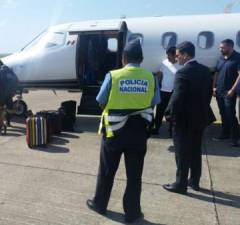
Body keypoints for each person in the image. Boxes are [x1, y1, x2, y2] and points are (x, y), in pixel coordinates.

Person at [86, 39, 160, 223]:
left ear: (123, 58)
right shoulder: (151, 77)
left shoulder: (113, 75)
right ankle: (133, 213)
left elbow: (100, 100)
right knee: (135, 175)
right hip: (139, 132)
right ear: (141, 59)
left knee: (107, 170)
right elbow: (154, 101)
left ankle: (100, 204)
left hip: (114, 131)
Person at [163, 41, 213, 194]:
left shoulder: (183, 72)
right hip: (200, 118)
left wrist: (168, 114)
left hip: (184, 120)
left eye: (178, 56)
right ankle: (195, 181)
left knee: (182, 152)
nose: (177, 58)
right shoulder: (205, 70)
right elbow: (208, 94)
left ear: (185, 55)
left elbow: (177, 98)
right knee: (195, 151)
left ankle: (180, 183)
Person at [213, 39, 240, 146]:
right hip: (219, 91)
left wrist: (232, 90)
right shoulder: (220, 58)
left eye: (223, 48)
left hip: (229, 92)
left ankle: (235, 138)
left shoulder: (238, 58)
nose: (220, 49)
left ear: (230, 47)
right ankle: (225, 133)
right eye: (220, 47)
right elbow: (216, 72)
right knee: (223, 113)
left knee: (230, 114)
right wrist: (213, 87)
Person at [152, 46, 182, 136]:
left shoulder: (181, 65)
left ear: (175, 56)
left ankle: (171, 131)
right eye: (167, 55)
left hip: (174, 93)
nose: (167, 57)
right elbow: (160, 75)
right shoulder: (164, 63)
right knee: (159, 112)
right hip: (163, 91)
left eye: (169, 56)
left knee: (173, 113)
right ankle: (156, 128)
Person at [0, 59, 18, 127]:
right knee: (9, 108)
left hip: (1, 94)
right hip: (9, 94)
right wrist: (13, 91)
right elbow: (16, 80)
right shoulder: (9, 70)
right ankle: (8, 122)